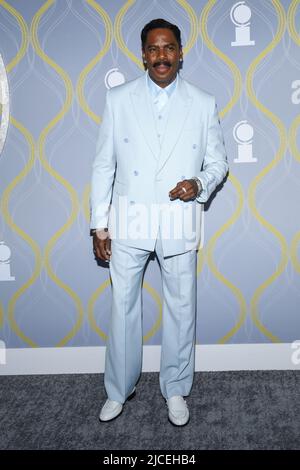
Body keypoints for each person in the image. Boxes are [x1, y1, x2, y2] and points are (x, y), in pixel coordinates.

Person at [90, 18, 228, 426]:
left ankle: (176, 389)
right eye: (153, 48)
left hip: (178, 220)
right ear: (143, 55)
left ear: (181, 53)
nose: (161, 56)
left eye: (169, 48)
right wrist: (100, 225)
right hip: (129, 220)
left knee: (182, 309)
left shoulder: (203, 102)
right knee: (122, 308)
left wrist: (198, 182)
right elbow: (104, 165)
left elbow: (219, 162)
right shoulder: (119, 99)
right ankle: (118, 389)